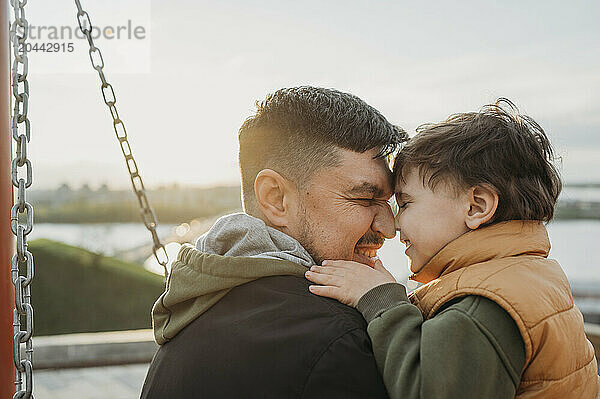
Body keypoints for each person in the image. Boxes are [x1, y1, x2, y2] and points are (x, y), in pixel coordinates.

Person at [306, 99, 599, 398]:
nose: (394, 225)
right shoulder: (530, 275)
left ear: (476, 206)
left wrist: (381, 300)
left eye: (405, 203)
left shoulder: (483, 306)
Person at [141, 86, 407, 398]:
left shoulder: (190, 312)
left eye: (389, 202)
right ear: (276, 198)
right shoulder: (337, 340)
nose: (389, 228)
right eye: (364, 197)